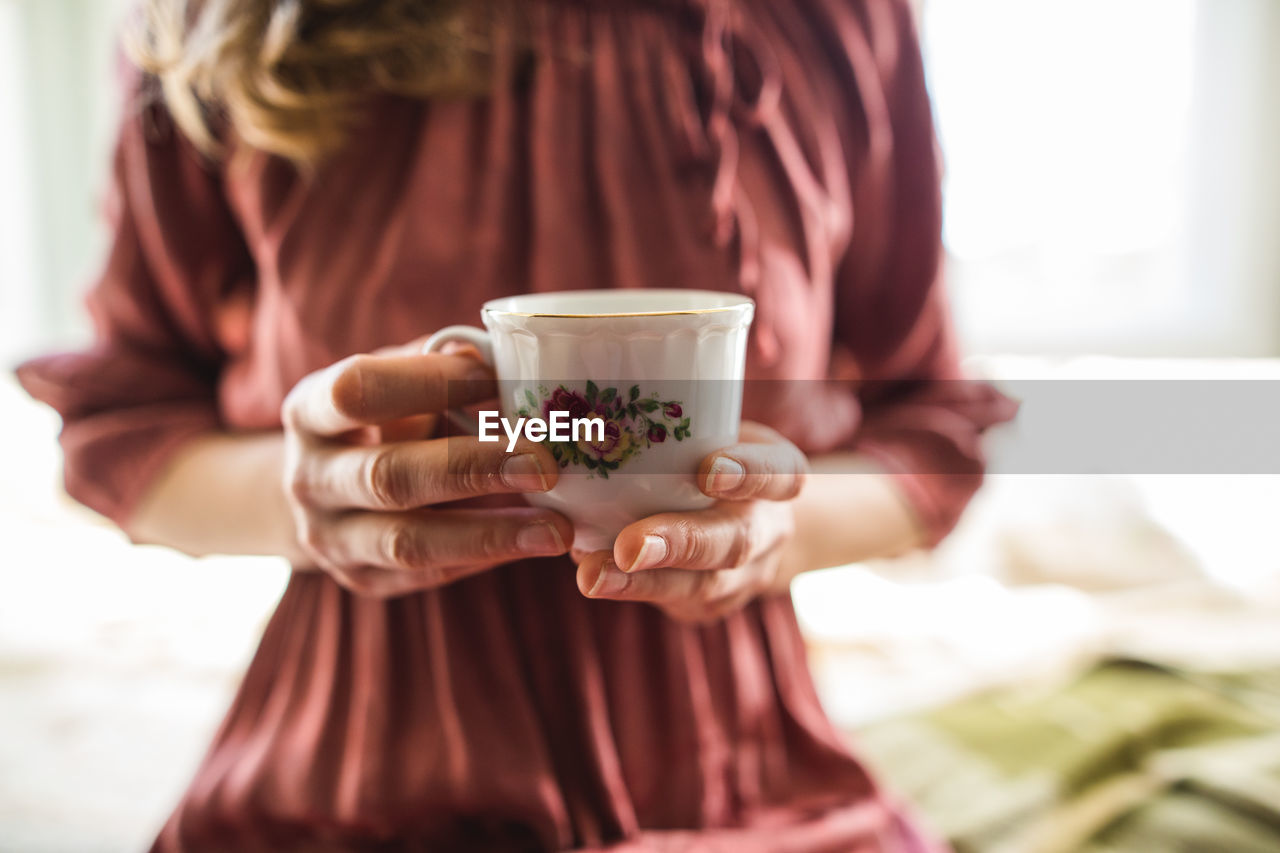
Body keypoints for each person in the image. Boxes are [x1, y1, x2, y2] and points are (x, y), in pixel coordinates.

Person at [16, 0, 1014, 849]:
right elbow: (124, 421)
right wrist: (303, 497)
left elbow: (928, 426)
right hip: (348, 762)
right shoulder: (214, 25)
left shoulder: (834, 19)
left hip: (738, 766)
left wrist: (775, 530)